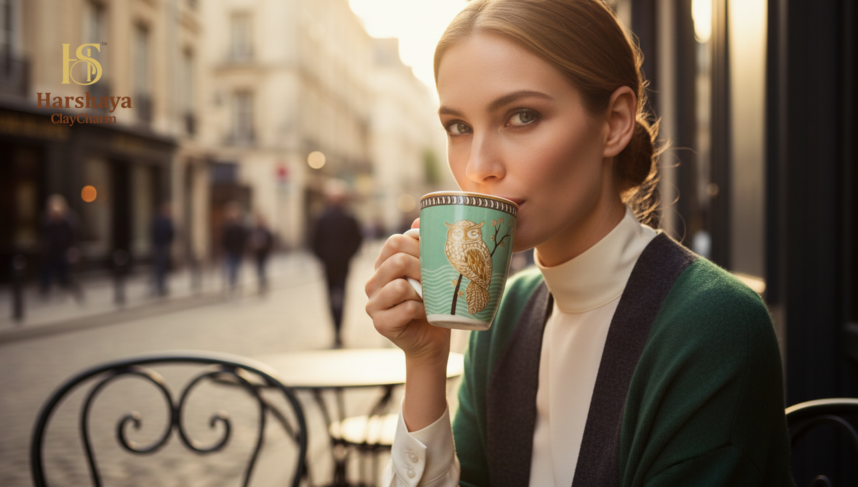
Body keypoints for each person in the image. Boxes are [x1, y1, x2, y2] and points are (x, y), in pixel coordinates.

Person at [365, 1, 795, 486]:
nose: (477, 166)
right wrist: (424, 362)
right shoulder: (508, 313)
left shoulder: (712, 325)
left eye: (521, 116)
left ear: (613, 123)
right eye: (459, 127)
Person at [311, 179, 363, 348]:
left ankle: (337, 332)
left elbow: (313, 242)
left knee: (334, 298)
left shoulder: (325, 218)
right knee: (339, 297)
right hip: (338, 264)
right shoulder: (346, 217)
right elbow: (357, 241)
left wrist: (325, 257)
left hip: (333, 265)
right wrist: (346, 256)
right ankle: (337, 332)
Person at [39, 194, 83, 301]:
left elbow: (75, 236)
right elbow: (43, 236)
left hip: (63, 252)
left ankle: (72, 291)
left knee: (65, 276)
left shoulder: (69, 220)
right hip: (50, 253)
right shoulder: (47, 221)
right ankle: (45, 290)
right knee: (47, 273)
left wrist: (73, 249)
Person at [220, 202, 248, 293]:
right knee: (230, 269)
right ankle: (232, 285)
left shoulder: (240, 226)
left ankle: (235, 285)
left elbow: (244, 239)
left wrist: (243, 250)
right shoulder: (227, 225)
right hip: (229, 251)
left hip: (238, 251)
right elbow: (224, 239)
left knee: (235, 269)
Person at [151, 202, 175, 296]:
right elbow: (171, 234)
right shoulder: (165, 221)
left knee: (159, 268)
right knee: (160, 268)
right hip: (162, 246)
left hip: (159, 246)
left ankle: (159, 286)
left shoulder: (158, 221)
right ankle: (160, 286)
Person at [250, 213, 274, 294]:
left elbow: (271, 242)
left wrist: (267, 249)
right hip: (257, 253)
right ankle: (261, 284)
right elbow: (250, 241)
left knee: (263, 269)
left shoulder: (266, 231)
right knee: (259, 269)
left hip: (264, 253)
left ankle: (263, 284)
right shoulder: (254, 230)